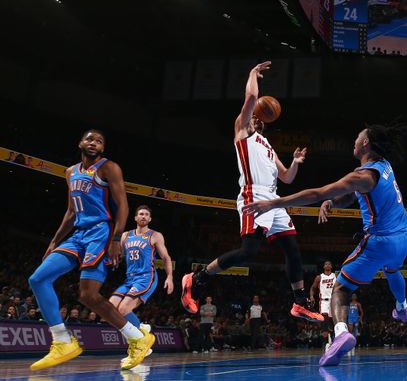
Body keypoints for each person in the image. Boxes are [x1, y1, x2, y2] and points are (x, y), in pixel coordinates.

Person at [243, 123, 407, 366]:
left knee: (340, 290)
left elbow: (317, 193)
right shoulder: (384, 166)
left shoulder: (362, 176)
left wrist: (274, 203)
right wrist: (333, 203)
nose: (354, 141)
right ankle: (402, 306)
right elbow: (353, 195)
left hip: (380, 241)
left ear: (366, 143)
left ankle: (342, 333)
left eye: (357, 137)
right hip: (403, 239)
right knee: (393, 270)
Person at [181, 61, 322, 323]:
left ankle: (300, 302)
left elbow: (287, 178)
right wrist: (252, 74)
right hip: (252, 195)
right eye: (254, 114)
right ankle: (197, 279)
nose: (256, 117)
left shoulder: (268, 146)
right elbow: (252, 96)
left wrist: (295, 162)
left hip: (274, 199)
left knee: (292, 248)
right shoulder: (242, 132)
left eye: (259, 116)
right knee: (248, 252)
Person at [27, 130, 154, 370]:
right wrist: (54, 241)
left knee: (88, 295)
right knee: (38, 278)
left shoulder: (109, 168)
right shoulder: (70, 172)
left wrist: (116, 239)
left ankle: (137, 338)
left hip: (100, 233)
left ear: (102, 148)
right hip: (77, 235)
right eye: (90, 139)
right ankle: (63, 341)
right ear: (80, 143)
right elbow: (71, 211)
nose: (94, 143)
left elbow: (123, 205)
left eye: (99, 141)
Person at [110, 205, 173, 341]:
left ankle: (139, 340)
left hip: (146, 277)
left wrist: (169, 277)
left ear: (149, 219)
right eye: (141, 214)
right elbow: (119, 256)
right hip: (129, 279)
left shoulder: (155, 235)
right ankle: (141, 330)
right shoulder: (126, 235)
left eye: (146, 214)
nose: (143, 216)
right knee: (109, 308)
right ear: (135, 217)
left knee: (123, 309)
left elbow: (166, 258)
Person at [310, 261, 337, 348]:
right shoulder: (319, 277)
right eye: (326, 264)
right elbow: (312, 288)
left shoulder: (336, 276)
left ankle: (333, 340)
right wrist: (311, 296)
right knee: (324, 320)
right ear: (323, 266)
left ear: (331, 266)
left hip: (333, 300)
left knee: (332, 322)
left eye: (329, 264)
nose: (328, 265)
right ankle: (326, 343)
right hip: (324, 301)